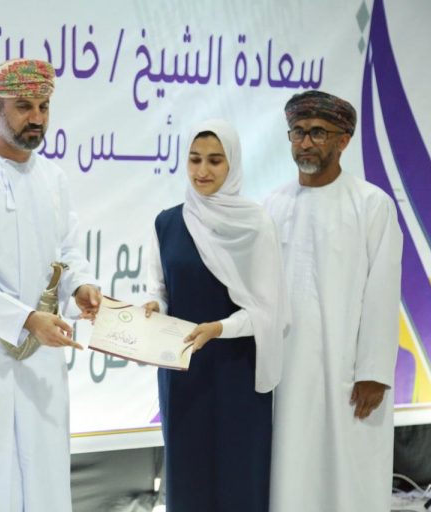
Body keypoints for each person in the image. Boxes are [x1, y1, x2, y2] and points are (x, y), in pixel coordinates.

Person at [0, 58, 101, 512]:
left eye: (44, 106)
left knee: (45, 478)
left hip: (43, 361)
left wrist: (81, 287)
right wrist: (25, 319)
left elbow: (68, 252)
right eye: (24, 106)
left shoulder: (54, 179)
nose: (37, 118)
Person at [266, 90, 402, 512]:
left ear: (343, 141)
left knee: (349, 479)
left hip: (349, 372)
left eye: (318, 133)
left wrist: (374, 370)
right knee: (290, 473)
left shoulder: (372, 205)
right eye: (298, 132)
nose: (305, 143)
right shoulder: (273, 205)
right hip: (286, 372)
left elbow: (383, 291)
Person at [143, 119, 287, 511]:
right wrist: (154, 307)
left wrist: (220, 328)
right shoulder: (167, 222)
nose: (202, 171)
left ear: (232, 164)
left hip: (237, 371)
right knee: (188, 477)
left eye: (214, 160)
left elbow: (268, 309)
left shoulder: (255, 224)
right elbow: (159, 288)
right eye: (194, 159)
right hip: (183, 371)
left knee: (239, 476)